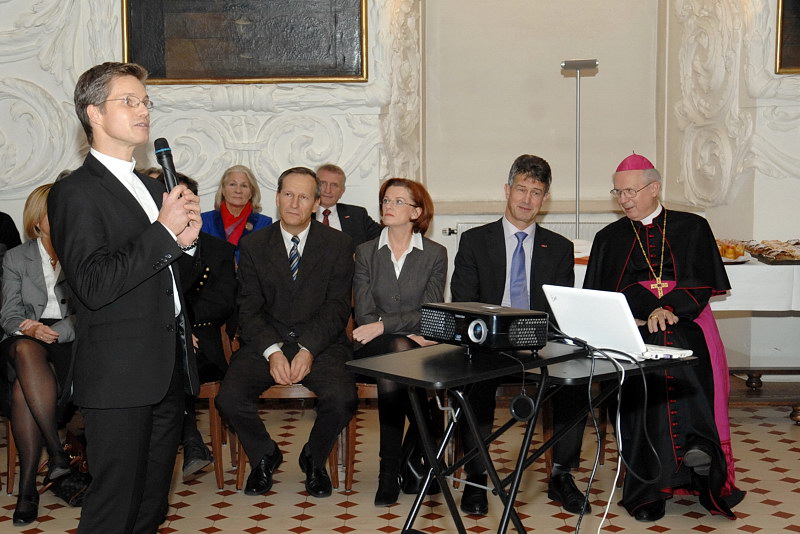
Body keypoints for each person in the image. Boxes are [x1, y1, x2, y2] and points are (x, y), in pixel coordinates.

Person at [48, 62, 202, 534]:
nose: (143, 111)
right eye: (129, 101)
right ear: (94, 113)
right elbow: (93, 285)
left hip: (164, 369)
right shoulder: (75, 192)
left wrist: (185, 243)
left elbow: (161, 280)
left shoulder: (153, 187)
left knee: (151, 508)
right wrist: (163, 232)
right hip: (118, 375)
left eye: (145, 101)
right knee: (113, 511)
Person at [583, 153, 745, 521]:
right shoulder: (609, 237)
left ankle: (699, 459)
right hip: (634, 322)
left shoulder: (692, 226)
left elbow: (701, 281)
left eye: (631, 191)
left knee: (687, 363)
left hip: (688, 317)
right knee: (645, 388)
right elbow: (606, 292)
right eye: (618, 192)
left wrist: (670, 307)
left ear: (654, 188)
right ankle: (649, 487)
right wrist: (650, 309)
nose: (624, 200)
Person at [450, 154, 589, 516]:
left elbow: (558, 311)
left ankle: (561, 476)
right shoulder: (474, 241)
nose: (527, 200)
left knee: (575, 382)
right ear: (507, 190)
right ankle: (476, 477)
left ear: (546, 199)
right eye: (521, 189)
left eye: (536, 192)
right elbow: (464, 303)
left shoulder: (558, 248)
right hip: (488, 344)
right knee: (474, 382)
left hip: (539, 344)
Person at [216, 167, 357, 499]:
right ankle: (264, 454)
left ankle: (314, 458)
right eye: (289, 195)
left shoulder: (338, 244)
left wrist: (308, 349)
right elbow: (249, 309)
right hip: (266, 342)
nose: (295, 203)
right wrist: (273, 351)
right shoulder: (253, 245)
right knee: (229, 398)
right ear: (277, 198)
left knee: (343, 398)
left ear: (316, 203)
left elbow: (337, 307)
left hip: (321, 344)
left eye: (304, 197)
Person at [352, 177, 447, 506]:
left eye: (397, 201)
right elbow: (364, 316)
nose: (388, 206)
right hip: (373, 347)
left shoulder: (435, 254)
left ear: (416, 212)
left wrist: (385, 325)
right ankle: (417, 456)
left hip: (418, 344)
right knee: (396, 351)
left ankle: (390, 471)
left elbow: (430, 312)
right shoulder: (365, 252)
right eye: (385, 200)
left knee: (398, 357)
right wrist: (393, 330)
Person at [153, 170, 238, 480]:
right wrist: (175, 326)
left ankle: (189, 440)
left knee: (174, 358)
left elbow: (224, 303)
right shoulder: (143, 247)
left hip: (203, 341)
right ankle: (190, 440)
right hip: (153, 339)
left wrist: (184, 325)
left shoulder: (217, 250)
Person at [0, 184, 75, 525]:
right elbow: (8, 314)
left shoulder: (79, 251)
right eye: (52, 212)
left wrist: (58, 332)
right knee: (25, 349)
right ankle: (56, 453)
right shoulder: (16, 257)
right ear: (36, 220)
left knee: (22, 391)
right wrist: (30, 328)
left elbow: (87, 311)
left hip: (66, 338)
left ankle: (28, 488)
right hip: (24, 335)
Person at [201, 164, 272, 260]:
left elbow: (263, 261)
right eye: (232, 184)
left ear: (251, 193)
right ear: (223, 190)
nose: (238, 190)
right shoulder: (204, 220)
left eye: (244, 186)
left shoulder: (264, 224)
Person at [316, 163, 381, 247]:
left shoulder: (358, 215)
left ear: (342, 191)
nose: (327, 190)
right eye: (323, 183)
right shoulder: (304, 214)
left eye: (334, 185)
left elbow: (384, 235)